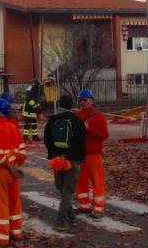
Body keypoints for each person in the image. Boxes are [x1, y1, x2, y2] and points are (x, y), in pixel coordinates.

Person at [44, 95, 86, 231]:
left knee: (61, 188)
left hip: (57, 160)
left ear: (59, 104)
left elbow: (47, 140)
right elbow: (81, 142)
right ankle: (60, 221)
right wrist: (78, 158)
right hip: (72, 160)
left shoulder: (52, 120)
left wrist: (53, 155)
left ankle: (71, 215)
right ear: (71, 104)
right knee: (68, 191)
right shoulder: (77, 121)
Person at [0, 98, 23, 245]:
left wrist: (9, 168)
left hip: (1, 171)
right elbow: (21, 152)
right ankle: (16, 232)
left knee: (1, 203)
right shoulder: (14, 128)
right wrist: (15, 168)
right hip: (13, 170)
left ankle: (1, 237)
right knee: (14, 202)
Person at [74, 89, 109, 219]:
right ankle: (85, 205)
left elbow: (104, 135)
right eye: (81, 100)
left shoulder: (98, 116)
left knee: (97, 182)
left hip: (94, 155)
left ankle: (99, 208)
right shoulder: (77, 115)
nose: (82, 102)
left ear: (91, 101)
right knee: (81, 182)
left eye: (85, 100)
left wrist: (89, 129)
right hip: (80, 155)